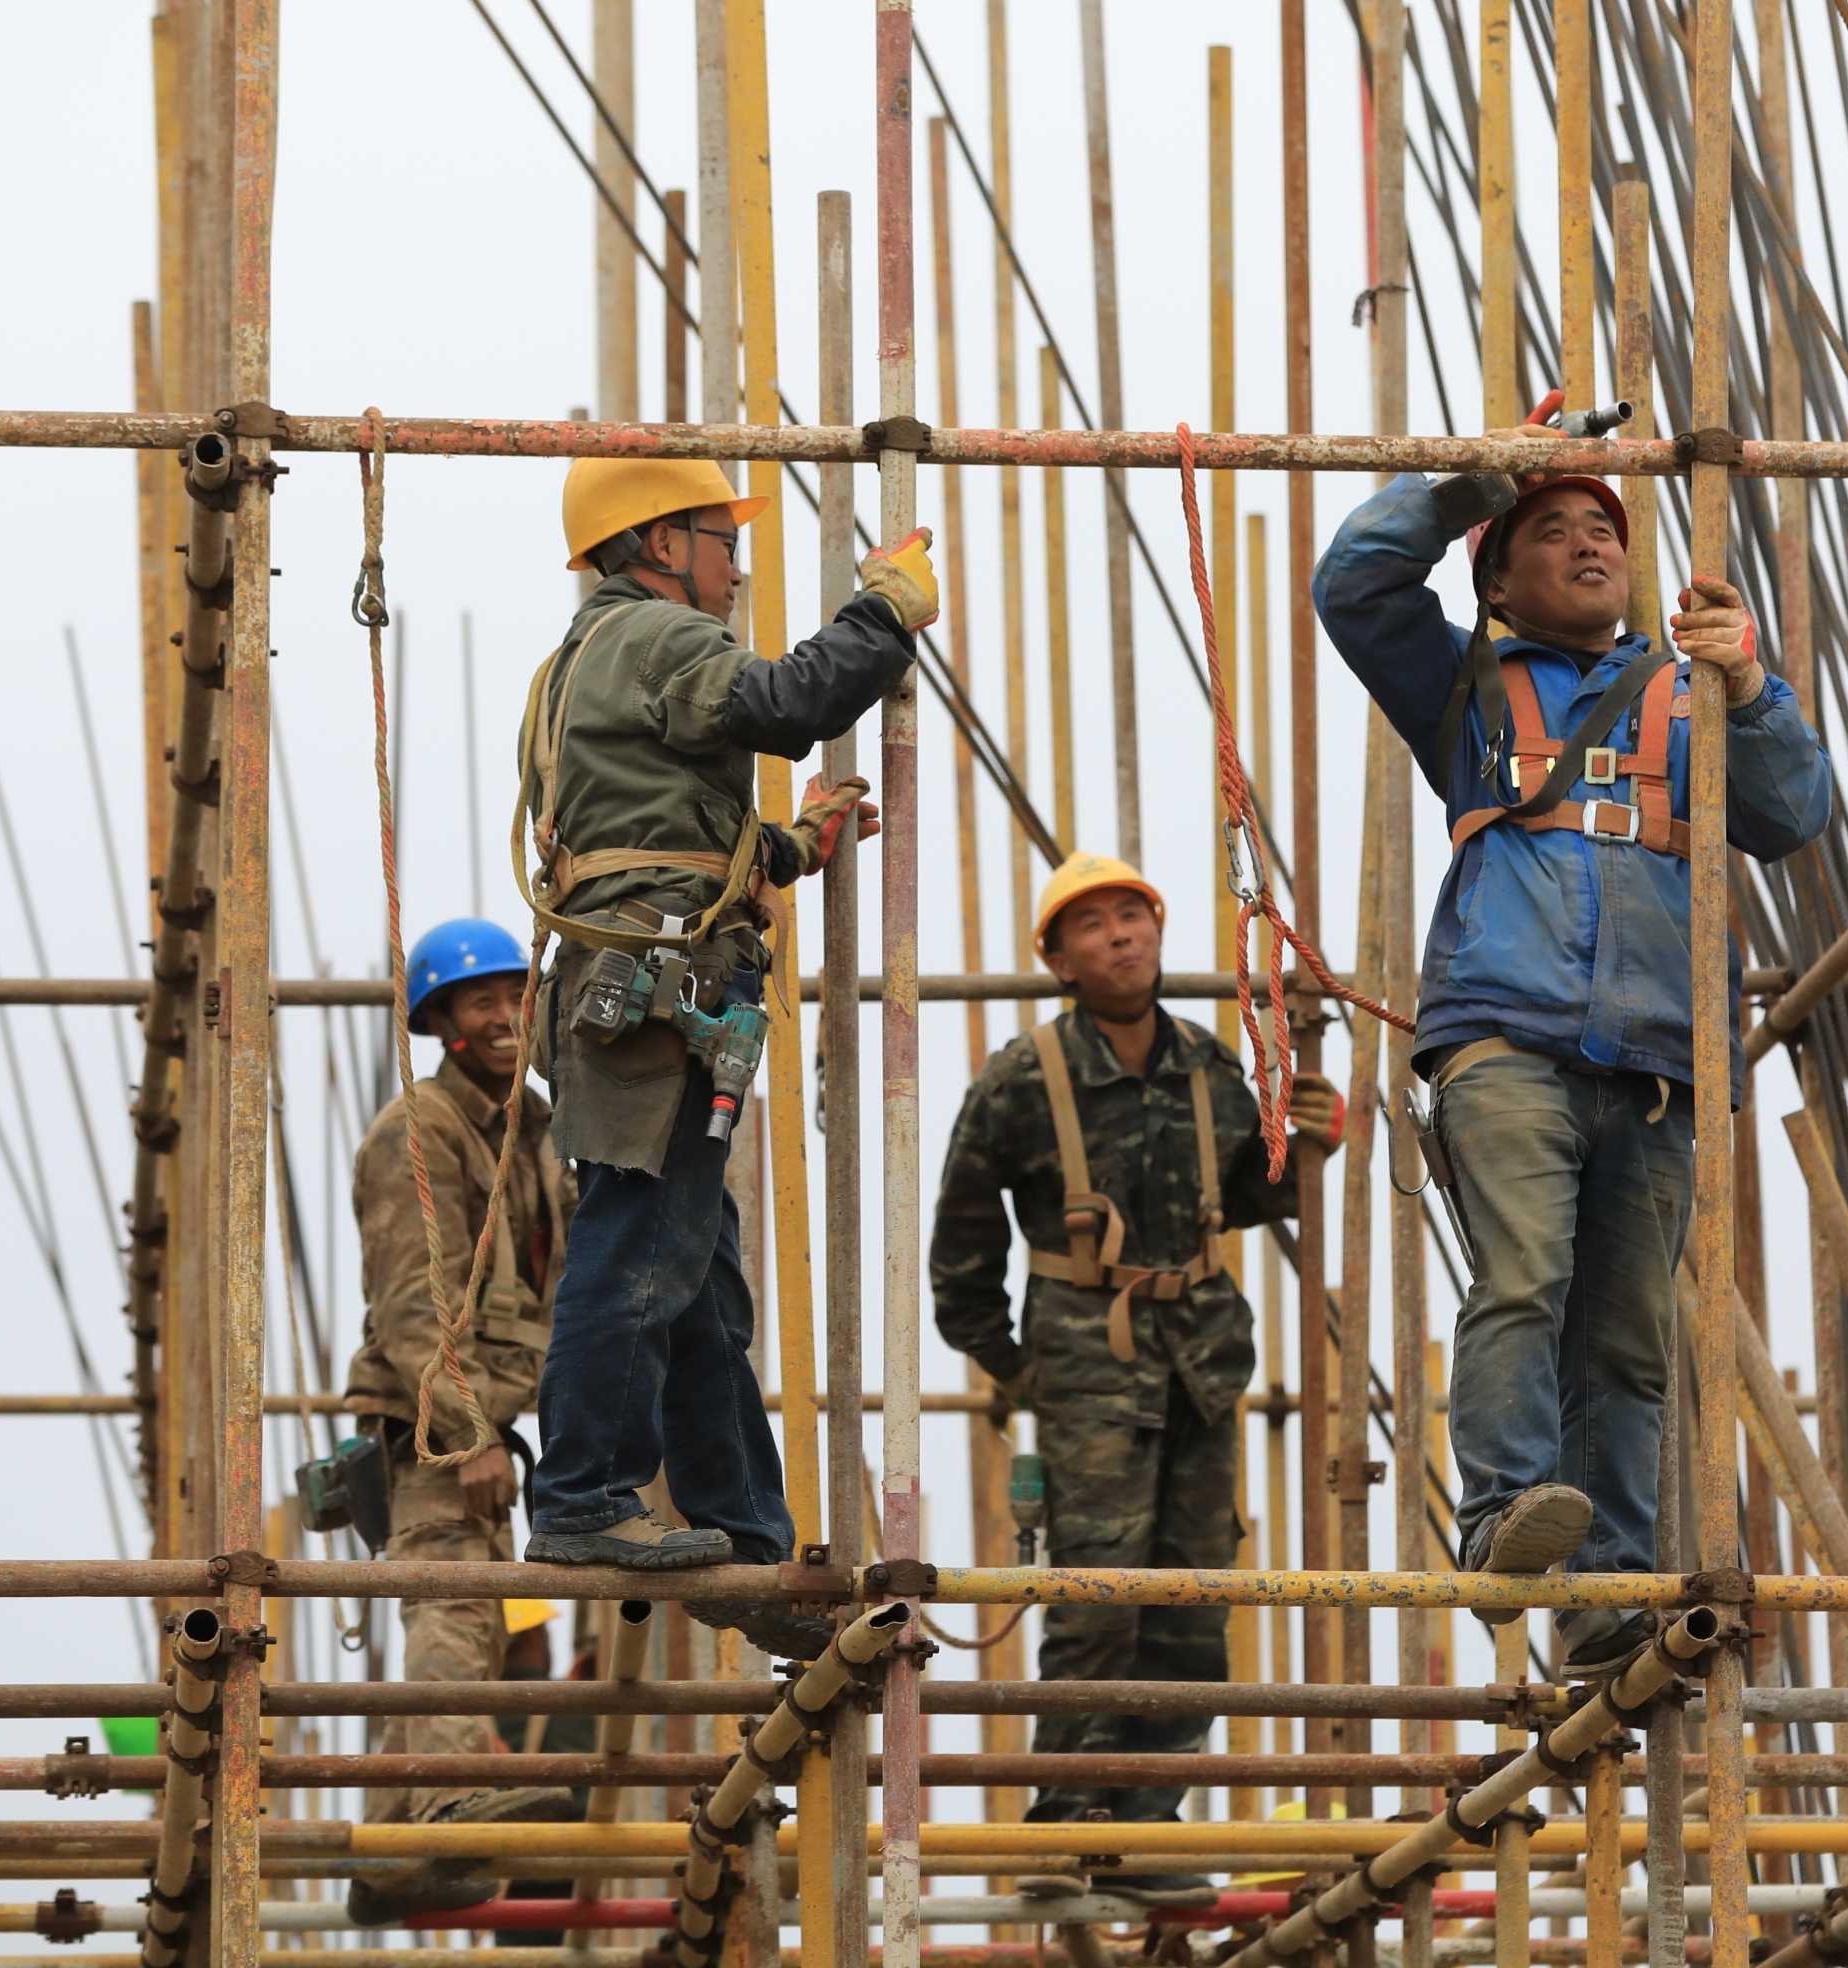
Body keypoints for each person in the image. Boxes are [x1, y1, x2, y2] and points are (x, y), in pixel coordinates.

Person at [1312, 429, 1834, 1674]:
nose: (1589, 540)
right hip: (1506, 1026)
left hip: (1656, 1049)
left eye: (1601, 526)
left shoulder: (1686, 690)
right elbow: (1354, 583)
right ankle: (1502, 1517)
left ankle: (1604, 1598)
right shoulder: (1464, 684)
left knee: (1625, 1340)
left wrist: (1752, 689)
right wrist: (1470, 488)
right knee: (1525, 1272)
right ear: (1495, 580)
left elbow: (1790, 812)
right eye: (1550, 531)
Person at [517, 455, 933, 1666]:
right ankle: (586, 1493)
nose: (736, 564)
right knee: (641, 1243)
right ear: (655, 543)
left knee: (699, 1284)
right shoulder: (652, 631)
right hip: (658, 983)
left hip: (642, 970)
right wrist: (885, 610)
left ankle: (746, 1534)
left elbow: (654, 826)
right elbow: (787, 702)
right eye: (719, 536)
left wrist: (792, 844)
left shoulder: (579, 664)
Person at [929, 852, 1342, 1893]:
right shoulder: (1022, 1079)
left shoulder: (1207, 1064)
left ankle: (1148, 1827)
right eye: (1094, 924)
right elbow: (962, 1257)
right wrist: (1024, 1368)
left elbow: (1243, 1192)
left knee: (1194, 1598)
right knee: (1096, 1599)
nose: (1120, 934)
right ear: (1060, 961)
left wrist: (1306, 1148)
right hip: (1088, 1363)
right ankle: (1069, 1827)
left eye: (1133, 914)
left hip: (1202, 1355)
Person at [339, 917, 579, 1923]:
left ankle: (392, 1850)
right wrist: (469, 1429)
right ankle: (439, 1796)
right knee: (455, 1601)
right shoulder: (419, 1127)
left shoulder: (533, 1123)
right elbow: (412, 1298)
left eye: (512, 992)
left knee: (475, 1625)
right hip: (431, 1419)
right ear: (439, 1020)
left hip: (497, 1408)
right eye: (476, 999)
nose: (501, 1013)